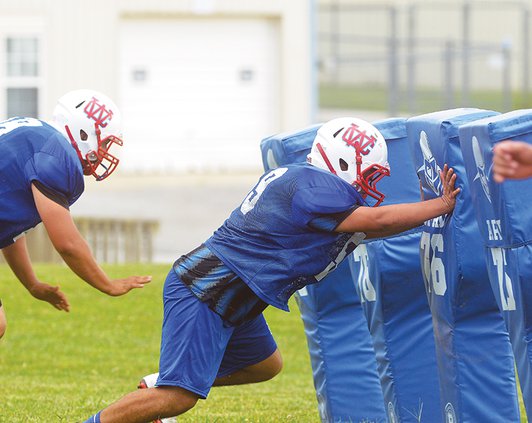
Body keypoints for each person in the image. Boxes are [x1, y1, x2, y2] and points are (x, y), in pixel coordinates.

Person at [83, 117, 460, 423]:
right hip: (207, 289)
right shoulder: (313, 187)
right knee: (179, 397)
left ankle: (160, 385)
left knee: (264, 364)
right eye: (369, 173)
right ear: (343, 160)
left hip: (231, 292)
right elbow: (376, 221)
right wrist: (440, 205)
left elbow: (373, 224)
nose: (371, 183)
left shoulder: (305, 181)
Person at [0, 89, 151, 340]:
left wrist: (32, 284)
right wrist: (108, 285)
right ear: (83, 132)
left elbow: (9, 230)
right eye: (102, 143)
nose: (103, 152)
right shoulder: (57, 155)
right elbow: (67, 243)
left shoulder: (37, 135)